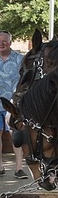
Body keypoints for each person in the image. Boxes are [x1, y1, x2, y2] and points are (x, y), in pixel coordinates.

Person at [0, 30, 26, 178]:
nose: (1, 44)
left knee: (15, 134)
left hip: (13, 105)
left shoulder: (20, 60)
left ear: (10, 42)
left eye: (4, 41)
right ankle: (0, 166)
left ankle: (18, 168)